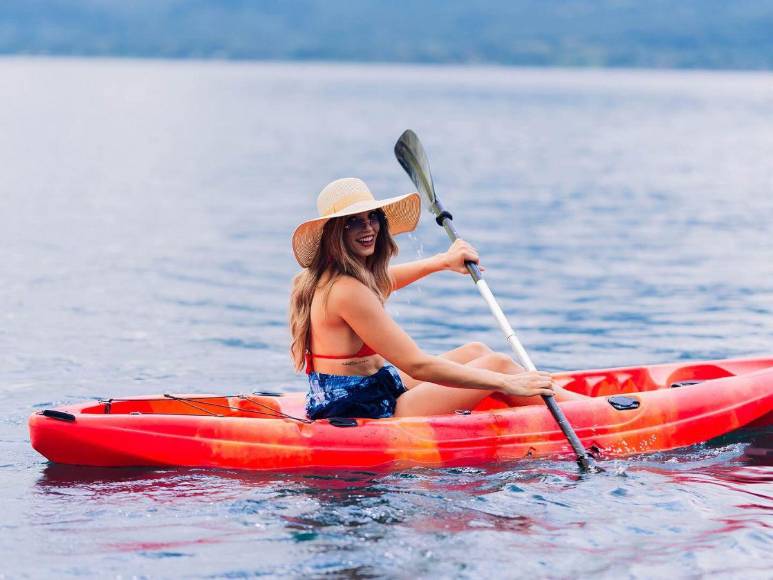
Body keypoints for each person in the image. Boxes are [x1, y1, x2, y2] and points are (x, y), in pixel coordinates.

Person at [289, 177, 580, 420]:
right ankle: (587, 412)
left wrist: (442, 261)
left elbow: (382, 281)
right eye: (353, 222)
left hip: (364, 388)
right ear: (334, 234)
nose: (368, 228)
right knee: (498, 365)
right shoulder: (349, 292)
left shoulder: (328, 278)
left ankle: (572, 403)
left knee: (475, 351)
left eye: (371, 218)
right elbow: (419, 366)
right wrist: (508, 383)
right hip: (363, 406)